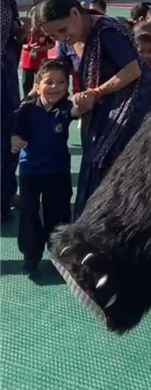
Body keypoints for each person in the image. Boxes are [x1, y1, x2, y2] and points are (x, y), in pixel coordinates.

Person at [34, 0, 151, 217]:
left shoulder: (107, 32)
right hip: (99, 106)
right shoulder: (66, 41)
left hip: (134, 104)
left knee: (118, 163)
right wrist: (35, 97)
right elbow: (57, 71)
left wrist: (96, 93)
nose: (61, 38)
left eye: (62, 30)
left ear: (75, 13)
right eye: (53, 35)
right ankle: (92, 221)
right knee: (93, 161)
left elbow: (132, 71)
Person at [10, 60, 80, 276]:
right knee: (29, 214)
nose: (55, 86)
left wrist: (82, 102)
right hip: (30, 170)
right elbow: (16, 132)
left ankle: (59, 253)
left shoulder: (65, 108)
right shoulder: (27, 109)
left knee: (58, 214)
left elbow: (76, 111)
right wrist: (15, 141)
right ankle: (31, 255)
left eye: (61, 82)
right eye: (49, 82)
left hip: (57, 170)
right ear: (37, 86)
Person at [0, 0, 21, 220]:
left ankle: (5, 196)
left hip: (7, 83)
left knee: (9, 139)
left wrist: (26, 32)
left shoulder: (8, 4)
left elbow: (18, 36)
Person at [20, 9, 53, 97]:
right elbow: (21, 43)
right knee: (26, 84)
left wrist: (42, 48)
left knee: (41, 82)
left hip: (41, 60)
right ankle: (27, 100)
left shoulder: (45, 29)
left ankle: (40, 99)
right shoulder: (26, 29)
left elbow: (52, 44)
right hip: (28, 60)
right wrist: (27, 47)